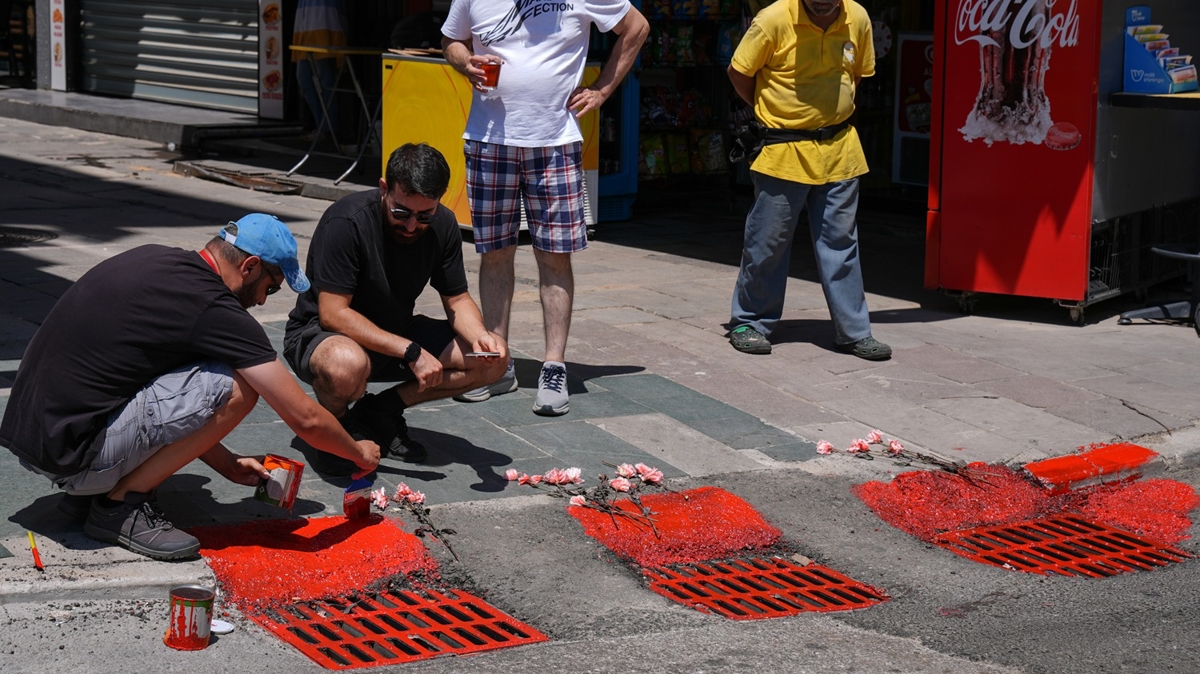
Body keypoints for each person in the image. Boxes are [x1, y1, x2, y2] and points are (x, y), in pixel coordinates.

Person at [0, 214, 380, 562]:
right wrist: (357, 452)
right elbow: (306, 419)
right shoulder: (212, 307)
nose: (263, 301)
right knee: (239, 385)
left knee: (193, 368)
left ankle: (98, 488)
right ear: (249, 267)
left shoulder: (156, 258)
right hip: (73, 454)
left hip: (39, 439)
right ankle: (120, 506)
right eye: (271, 287)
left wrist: (228, 464)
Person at [441, 0, 649, 416]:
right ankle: (497, 362)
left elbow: (636, 27)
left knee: (554, 256)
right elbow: (451, 40)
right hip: (488, 139)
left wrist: (604, 89)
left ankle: (554, 365)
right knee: (495, 254)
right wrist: (466, 62)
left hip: (554, 143)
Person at [283, 143, 508, 474]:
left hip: (396, 332)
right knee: (346, 366)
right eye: (401, 212)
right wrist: (412, 351)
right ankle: (337, 427)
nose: (412, 226)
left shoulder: (443, 226)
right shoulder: (347, 220)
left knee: (493, 363)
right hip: (323, 336)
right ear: (384, 188)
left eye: (424, 215)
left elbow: (457, 299)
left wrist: (480, 338)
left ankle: (381, 410)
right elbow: (334, 313)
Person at [725, 0, 891, 361]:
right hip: (783, 150)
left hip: (840, 149)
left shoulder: (858, 17)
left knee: (841, 245)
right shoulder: (773, 19)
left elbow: (857, 75)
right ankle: (750, 321)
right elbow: (739, 72)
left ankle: (854, 332)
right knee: (767, 243)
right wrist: (771, 113)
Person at [293, 0, 347, 139]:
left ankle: (328, 128)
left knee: (325, 81)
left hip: (323, 29)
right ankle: (323, 125)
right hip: (305, 29)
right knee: (304, 79)